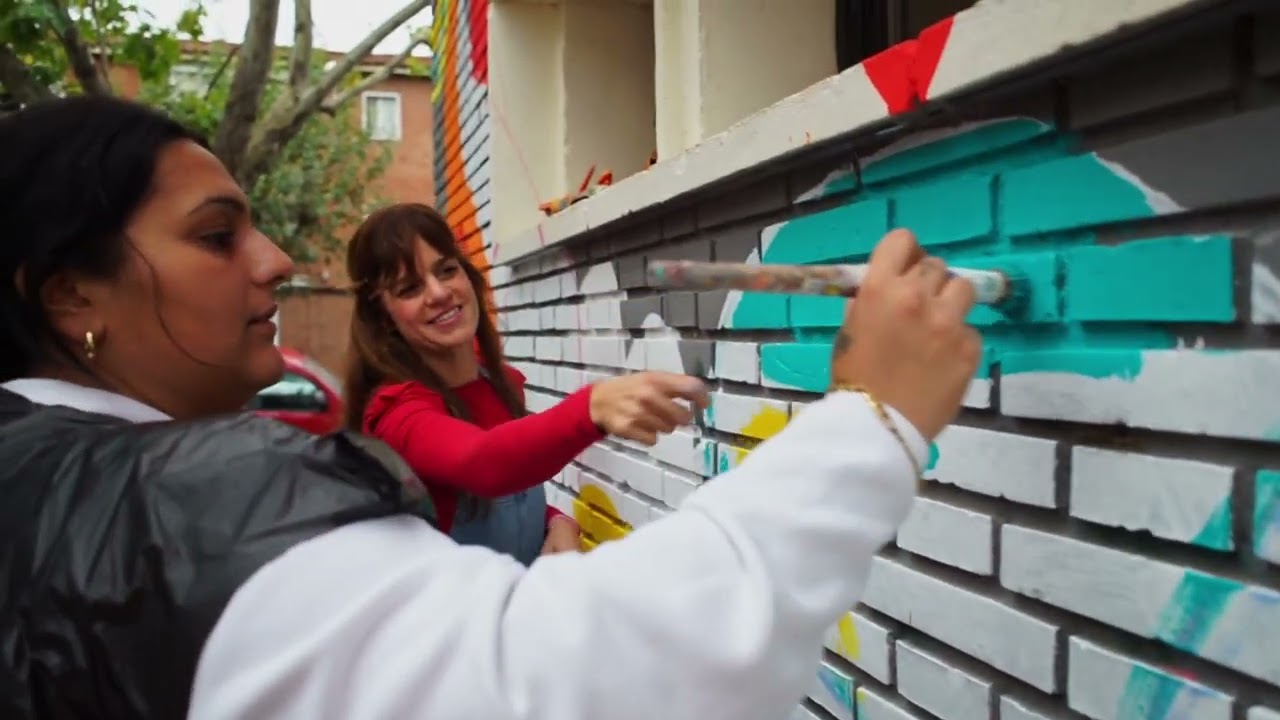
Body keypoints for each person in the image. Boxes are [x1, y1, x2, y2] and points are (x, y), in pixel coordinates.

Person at [0, 95, 981, 720]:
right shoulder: (288, 458)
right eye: (217, 236)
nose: (276, 260)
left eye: (448, 269)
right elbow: (488, 490)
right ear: (71, 295)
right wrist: (871, 418)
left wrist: (553, 528)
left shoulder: (43, 472)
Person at [344, 203, 702, 564]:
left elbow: (514, 482)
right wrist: (592, 407)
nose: (438, 293)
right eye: (410, 288)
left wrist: (556, 521)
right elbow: (483, 463)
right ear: (383, 316)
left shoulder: (497, 384)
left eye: (447, 270)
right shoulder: (396, 414)